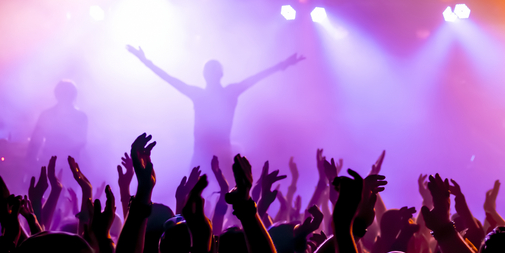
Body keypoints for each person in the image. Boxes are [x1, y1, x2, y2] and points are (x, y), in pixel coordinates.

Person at [126, 46, 305, 166]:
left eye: (212, 70)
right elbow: (169, 78)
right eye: (208, 70)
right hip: (204, 152)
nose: (210, 73)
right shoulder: (207, 94)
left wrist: (283, 65)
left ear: (219, 74)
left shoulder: (224, 93)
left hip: (218, 152)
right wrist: (145, 61)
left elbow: (256, 78)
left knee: (221, 197)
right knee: (199, 195)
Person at [27, 80, 88, 165]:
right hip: (53, 161)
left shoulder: (80, 117)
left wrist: (31, 160)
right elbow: (36, 141)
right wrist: (31, 161)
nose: (65, 95)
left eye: (67, 93)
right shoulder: (80, 116)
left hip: (65, 163)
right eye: (63, 92)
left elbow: (81, 142)